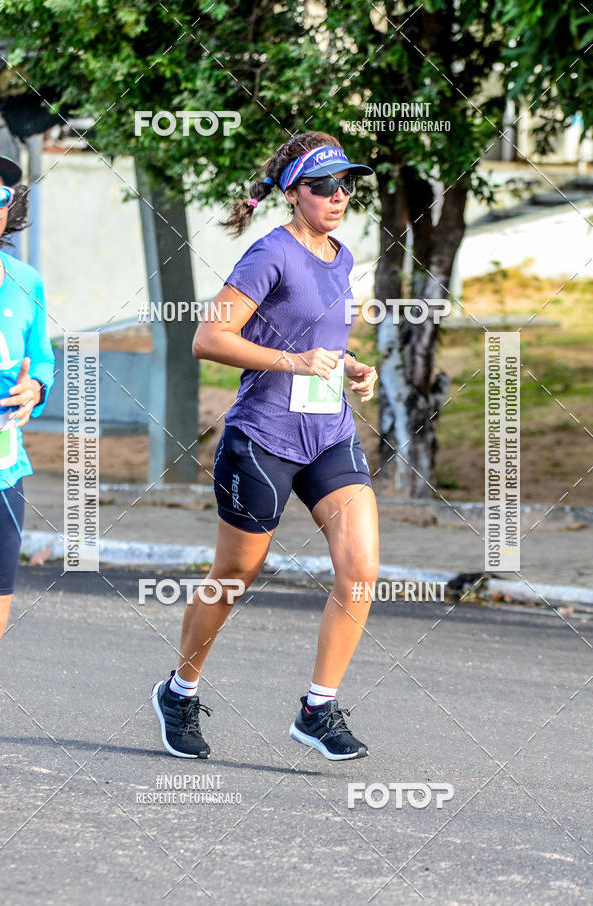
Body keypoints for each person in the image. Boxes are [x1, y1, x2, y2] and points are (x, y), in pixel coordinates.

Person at [152, 132, 379, 761]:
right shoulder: (269, 253)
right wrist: (293, 360)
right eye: (324, 186)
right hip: (263, 437)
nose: (339, 196)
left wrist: (352, 367)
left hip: (328, 432)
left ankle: (317, 708)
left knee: (360, 569)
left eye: (347, 184)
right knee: (234, 576)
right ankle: (179, 691)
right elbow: (209, 338)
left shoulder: (341, 255)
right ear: (293, 192)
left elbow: (316, 341)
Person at [0, 155, 54, 650]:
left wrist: (36, 389)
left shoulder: (25, 281)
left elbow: (43, 358)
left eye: (0, 197)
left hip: (4, 469)